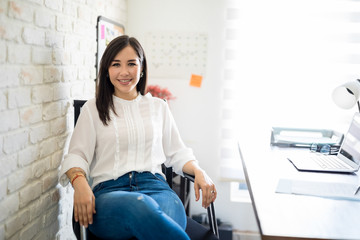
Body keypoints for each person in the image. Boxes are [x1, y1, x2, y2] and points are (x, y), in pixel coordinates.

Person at [59, 35, 217, 240]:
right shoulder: (93, 108)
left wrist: (199, 171)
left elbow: (178, 153)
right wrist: (80, 184)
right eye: (116, 64)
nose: (124, 72)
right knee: (140, 205)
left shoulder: (158, 107)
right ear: (107, 70)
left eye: (131, 64)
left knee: (161, 214)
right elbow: (76, 155)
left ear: (141, 69)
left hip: (157, 189)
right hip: (110, 195)